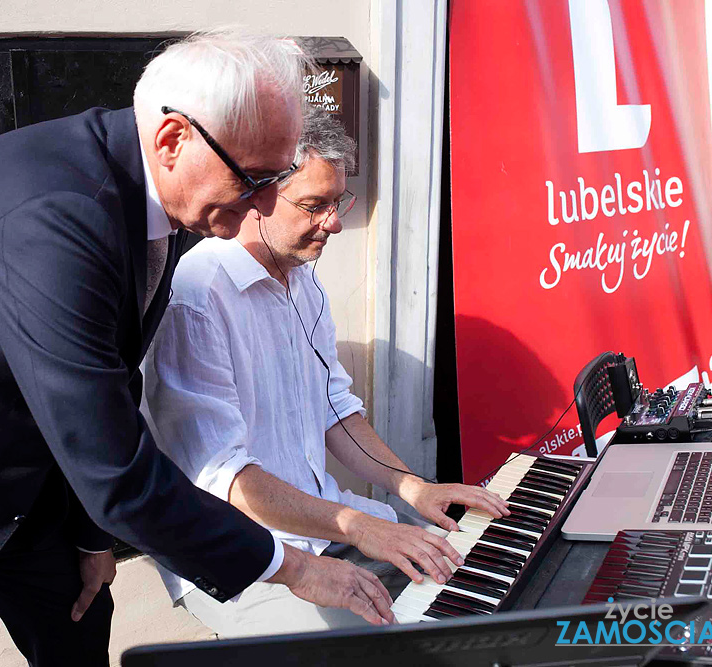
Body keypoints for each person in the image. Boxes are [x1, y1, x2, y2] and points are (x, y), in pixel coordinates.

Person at [0, 32, 395, 667]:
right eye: (254, 178)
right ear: (174, 139)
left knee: (76, 618)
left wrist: (93, 532)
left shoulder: (148, 187)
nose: (264, 203)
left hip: (18, 468)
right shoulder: (54, 216)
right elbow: (113, 467)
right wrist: (290, 567)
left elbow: (111, 373)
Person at [145, 106, 510, 638]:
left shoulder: (303, 281)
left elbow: (336, 410)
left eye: (337, 201)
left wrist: (412, 488)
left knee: (476, 588)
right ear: (257, 197)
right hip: (246, 556)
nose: (333, 222)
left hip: (327, 527)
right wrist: (361, 527)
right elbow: (224, 478)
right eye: (314, 205)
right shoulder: (197, 297)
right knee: (404, 646)